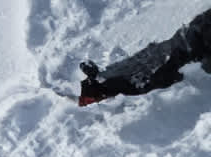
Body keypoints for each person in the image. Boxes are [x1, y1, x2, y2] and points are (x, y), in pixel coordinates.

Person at [78, 7, 211, 105]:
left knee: (152, 72)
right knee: (150, 67)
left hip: (185, 50)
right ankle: (100, 86)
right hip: (184, 46)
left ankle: (100, 87)